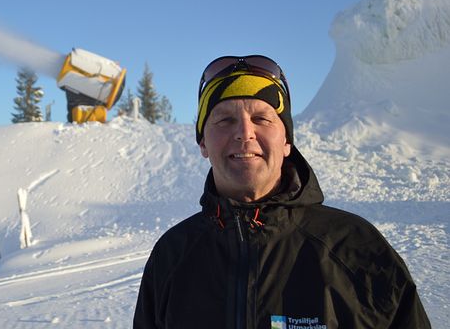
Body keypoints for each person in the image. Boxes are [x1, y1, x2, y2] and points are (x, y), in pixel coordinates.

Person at [133, 55, 430, 329]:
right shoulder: (171, 256)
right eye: (225, 120)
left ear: (286, 141)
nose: (245, 133)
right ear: (202, 144)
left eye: (262, 118)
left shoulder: (356, 249)